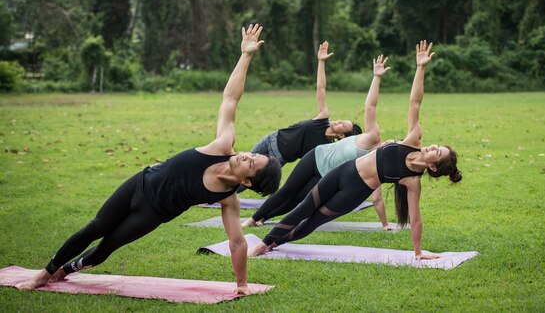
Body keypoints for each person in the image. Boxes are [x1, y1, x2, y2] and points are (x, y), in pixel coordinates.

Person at [18, 24, 281, 294]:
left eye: (251, 163)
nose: (247, 155)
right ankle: (44, 273)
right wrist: (246, 55)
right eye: (253, 154)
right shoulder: (223, 144)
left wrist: (242, 284)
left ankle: (69, 269)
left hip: (152, 213)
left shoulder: (227, 198)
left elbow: (237, 243)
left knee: (106, 249)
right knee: (94, 228)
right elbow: (230, 98)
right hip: (140, 184)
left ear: (247, 183)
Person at [249, 40, 462, 260]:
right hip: (344, 172)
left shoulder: (412, 181)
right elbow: (415, 102)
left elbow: (416, 219)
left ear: (432, 166)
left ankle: (274, 244)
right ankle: (265, 242)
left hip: (355, 192)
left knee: (312, 222)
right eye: (437, 146)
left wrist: (418, 252)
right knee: (304, 207)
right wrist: (421, 68)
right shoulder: (412, 139)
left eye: (436, 152)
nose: (432, 146)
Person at [242, 55, 395, 230]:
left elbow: (377, 197)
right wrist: (376, 77)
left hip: (324, 174)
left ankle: (264, 217)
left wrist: (385, 225)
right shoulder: (373, 137)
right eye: (393, 142)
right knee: (288, 191)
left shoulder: (374, 163)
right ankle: (253, 219)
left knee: (299, 200)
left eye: (393, 145)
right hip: (316, 157)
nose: (391, 142)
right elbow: (370, 107)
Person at [243, 41, 361, 173]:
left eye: (342, 125)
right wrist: (321, 62)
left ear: (341, 136)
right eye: (342, 120)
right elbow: (321, 88)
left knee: (251, 177)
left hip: (278, 158)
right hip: (272, 138)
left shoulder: (325, 148)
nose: (339, 121)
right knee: (241, 169)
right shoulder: (323, 119)